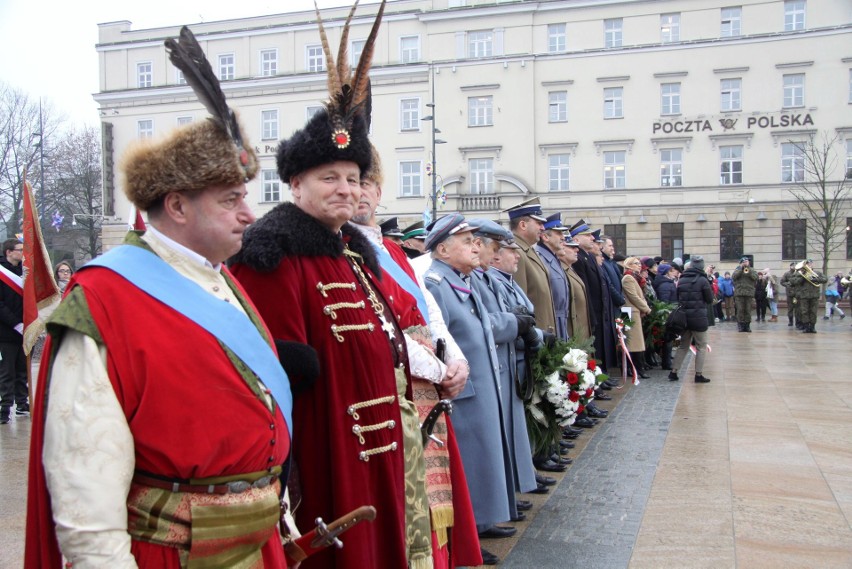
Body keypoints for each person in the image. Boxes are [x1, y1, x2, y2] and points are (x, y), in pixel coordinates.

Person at [25, 25, 294, 568]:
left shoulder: (225, 282)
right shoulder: (103, 300)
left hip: (258, 548)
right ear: (177, 206)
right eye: (231, 200)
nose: (249, 213)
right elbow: (84, 484)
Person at [231, 6, 435, 567]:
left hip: (381, 443)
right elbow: (280, 374)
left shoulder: (352, 247)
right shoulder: (273, 251)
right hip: (325, 448)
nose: (346, 189)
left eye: (353, 178)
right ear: (296, 183)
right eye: (329, 178)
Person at [353, 153, 482, 568]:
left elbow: (427, 309)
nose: (358, 193)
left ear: (378, 191)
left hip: (430, 387)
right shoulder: (340, 249)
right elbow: (376, 324)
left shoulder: (390, 248)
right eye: (347, 183)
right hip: (398, 390)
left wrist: (457, 360)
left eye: (366, 183)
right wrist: (438, 369)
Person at [423, 214, 519, 565]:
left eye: (476, 240)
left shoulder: (460, 278)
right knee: (468, 465)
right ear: (443, 249)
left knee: (484, 460)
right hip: (461, 393)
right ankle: (467, 536)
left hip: (481, 385)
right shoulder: (437, 282)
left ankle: (481, 522)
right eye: (468, 241)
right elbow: (437, 339)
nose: (476, 246)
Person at [507, 198, 556, 336]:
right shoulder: (517, 253)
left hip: (543, 335)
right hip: (534, 338)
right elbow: (520, 306)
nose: (543, 228)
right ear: (523, 224)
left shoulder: (528, 250)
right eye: (539, 223)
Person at [668, 255, 714, 384]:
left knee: (683, 346)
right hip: (699, 318)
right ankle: (698, 374)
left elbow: (678, 297)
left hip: (684, 318)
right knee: (701, 346)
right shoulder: (703, 280)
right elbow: (709, 299)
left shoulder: (681, 279)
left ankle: (673, 372)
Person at [0, 238, 27, 424]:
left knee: (22, 371)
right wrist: (16, 323)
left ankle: (22, 403)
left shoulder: (24, 272)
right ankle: (5, 407)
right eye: (19, 250)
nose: (22, 253)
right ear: (9, 252)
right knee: (7, 372)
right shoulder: (2, 272)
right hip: (6, 332)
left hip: (24, 330)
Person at [534, 213, 571, 340]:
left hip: (560, 324)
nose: (563, 238)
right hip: (550, 325)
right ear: (545, 237)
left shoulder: (553, 258)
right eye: (559, 234)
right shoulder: (540, 258)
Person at [621, 257, 652, 379]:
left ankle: (636, 368)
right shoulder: (628, 278)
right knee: (632, 342)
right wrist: (646, 308)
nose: (639, 265)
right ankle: (635, 368)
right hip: (629, 312)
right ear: (629, 265)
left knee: (635, 342)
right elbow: (633, 296)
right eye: (636, 263)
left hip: (634, 311)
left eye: (639, 263)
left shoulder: (635, 278)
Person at [790, 259, 828, 334]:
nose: (809, 265)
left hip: (814, 295)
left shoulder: (817, 273)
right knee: (804, 312)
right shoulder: (800, 273)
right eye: (807, 264)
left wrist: (816, 279)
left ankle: (812, 327)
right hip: (804, 296)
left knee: (813, 312)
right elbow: (793, 281)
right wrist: (803, 277)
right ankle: (806, 326)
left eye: (810, 264)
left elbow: (825, 279)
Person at [732, 256, 758, 332]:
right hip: (739, 293)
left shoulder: (752, 270)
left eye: (747, 262)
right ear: (741, 263)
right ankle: (740, 325)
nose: (746, 263)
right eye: (744, 262)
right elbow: (734, 277)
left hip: (749, 293)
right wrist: (741, 269)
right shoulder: (737, 270)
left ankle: (747, 325)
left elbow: (755, 278)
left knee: (748, 310)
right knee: (740, 310)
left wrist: (749, 270)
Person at [780, 262, 799, 327]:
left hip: (797, 293)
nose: (794, 266)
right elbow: (782, 282)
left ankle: (797, 322)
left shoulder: (799, 273)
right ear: (790, 266)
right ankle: (790, 321)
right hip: (790, 293)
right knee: (790, 308)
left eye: (795, 265)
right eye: (793, 265)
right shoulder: (787, 274)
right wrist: (788, 284)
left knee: (798, 309)